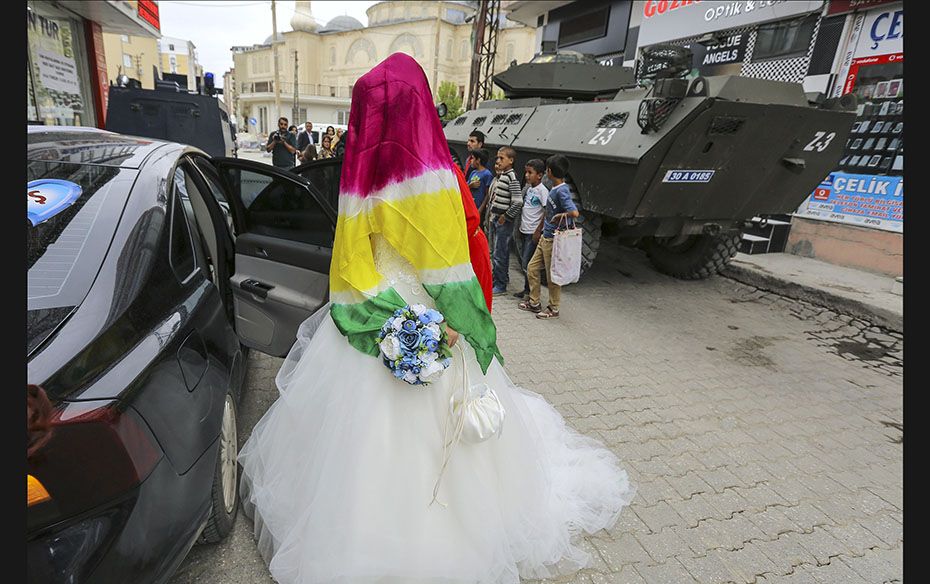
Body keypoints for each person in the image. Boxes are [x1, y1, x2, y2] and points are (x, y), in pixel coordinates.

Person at [237, 52, 633, 584]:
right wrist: (466, 325)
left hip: (374, 310)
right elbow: (451, 272)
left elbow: (350, 261)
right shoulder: (437, 180)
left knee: (349, 443)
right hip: (428, 314)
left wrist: (384, 314)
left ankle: (353, 541)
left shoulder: (358, 182)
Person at [519, 154, 579, 320]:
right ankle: (534, 301)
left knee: (553, 275)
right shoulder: (554, 188)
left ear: (550, 171)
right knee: (531, 268)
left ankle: (553, 307)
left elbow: (574, 212)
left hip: (553, 239)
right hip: (545, 236)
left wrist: (557, 217)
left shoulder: (562, 191)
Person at [486, 146, 523, 295]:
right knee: (497, 252)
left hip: (503, 222)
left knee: (500, 253)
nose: (498, 161)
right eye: (497, 158)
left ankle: (500, 286)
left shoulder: (511, 177)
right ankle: (499, 279)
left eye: (502, 158)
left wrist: (506, 216)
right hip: (496, 219)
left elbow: (518, 201)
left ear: (511, 160)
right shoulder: (503, 175)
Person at [513, 158, 549, 300]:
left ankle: (533, 294)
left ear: (539, 175)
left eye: (530, 173)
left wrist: (538, 230)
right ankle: (526, 290)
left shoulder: (542, 191)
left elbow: (546, 212)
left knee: (529, 265)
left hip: (532, 233)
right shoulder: (529, 189)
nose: (527, 175)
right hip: (524, 230)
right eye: (526, 172)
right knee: (524, 263)